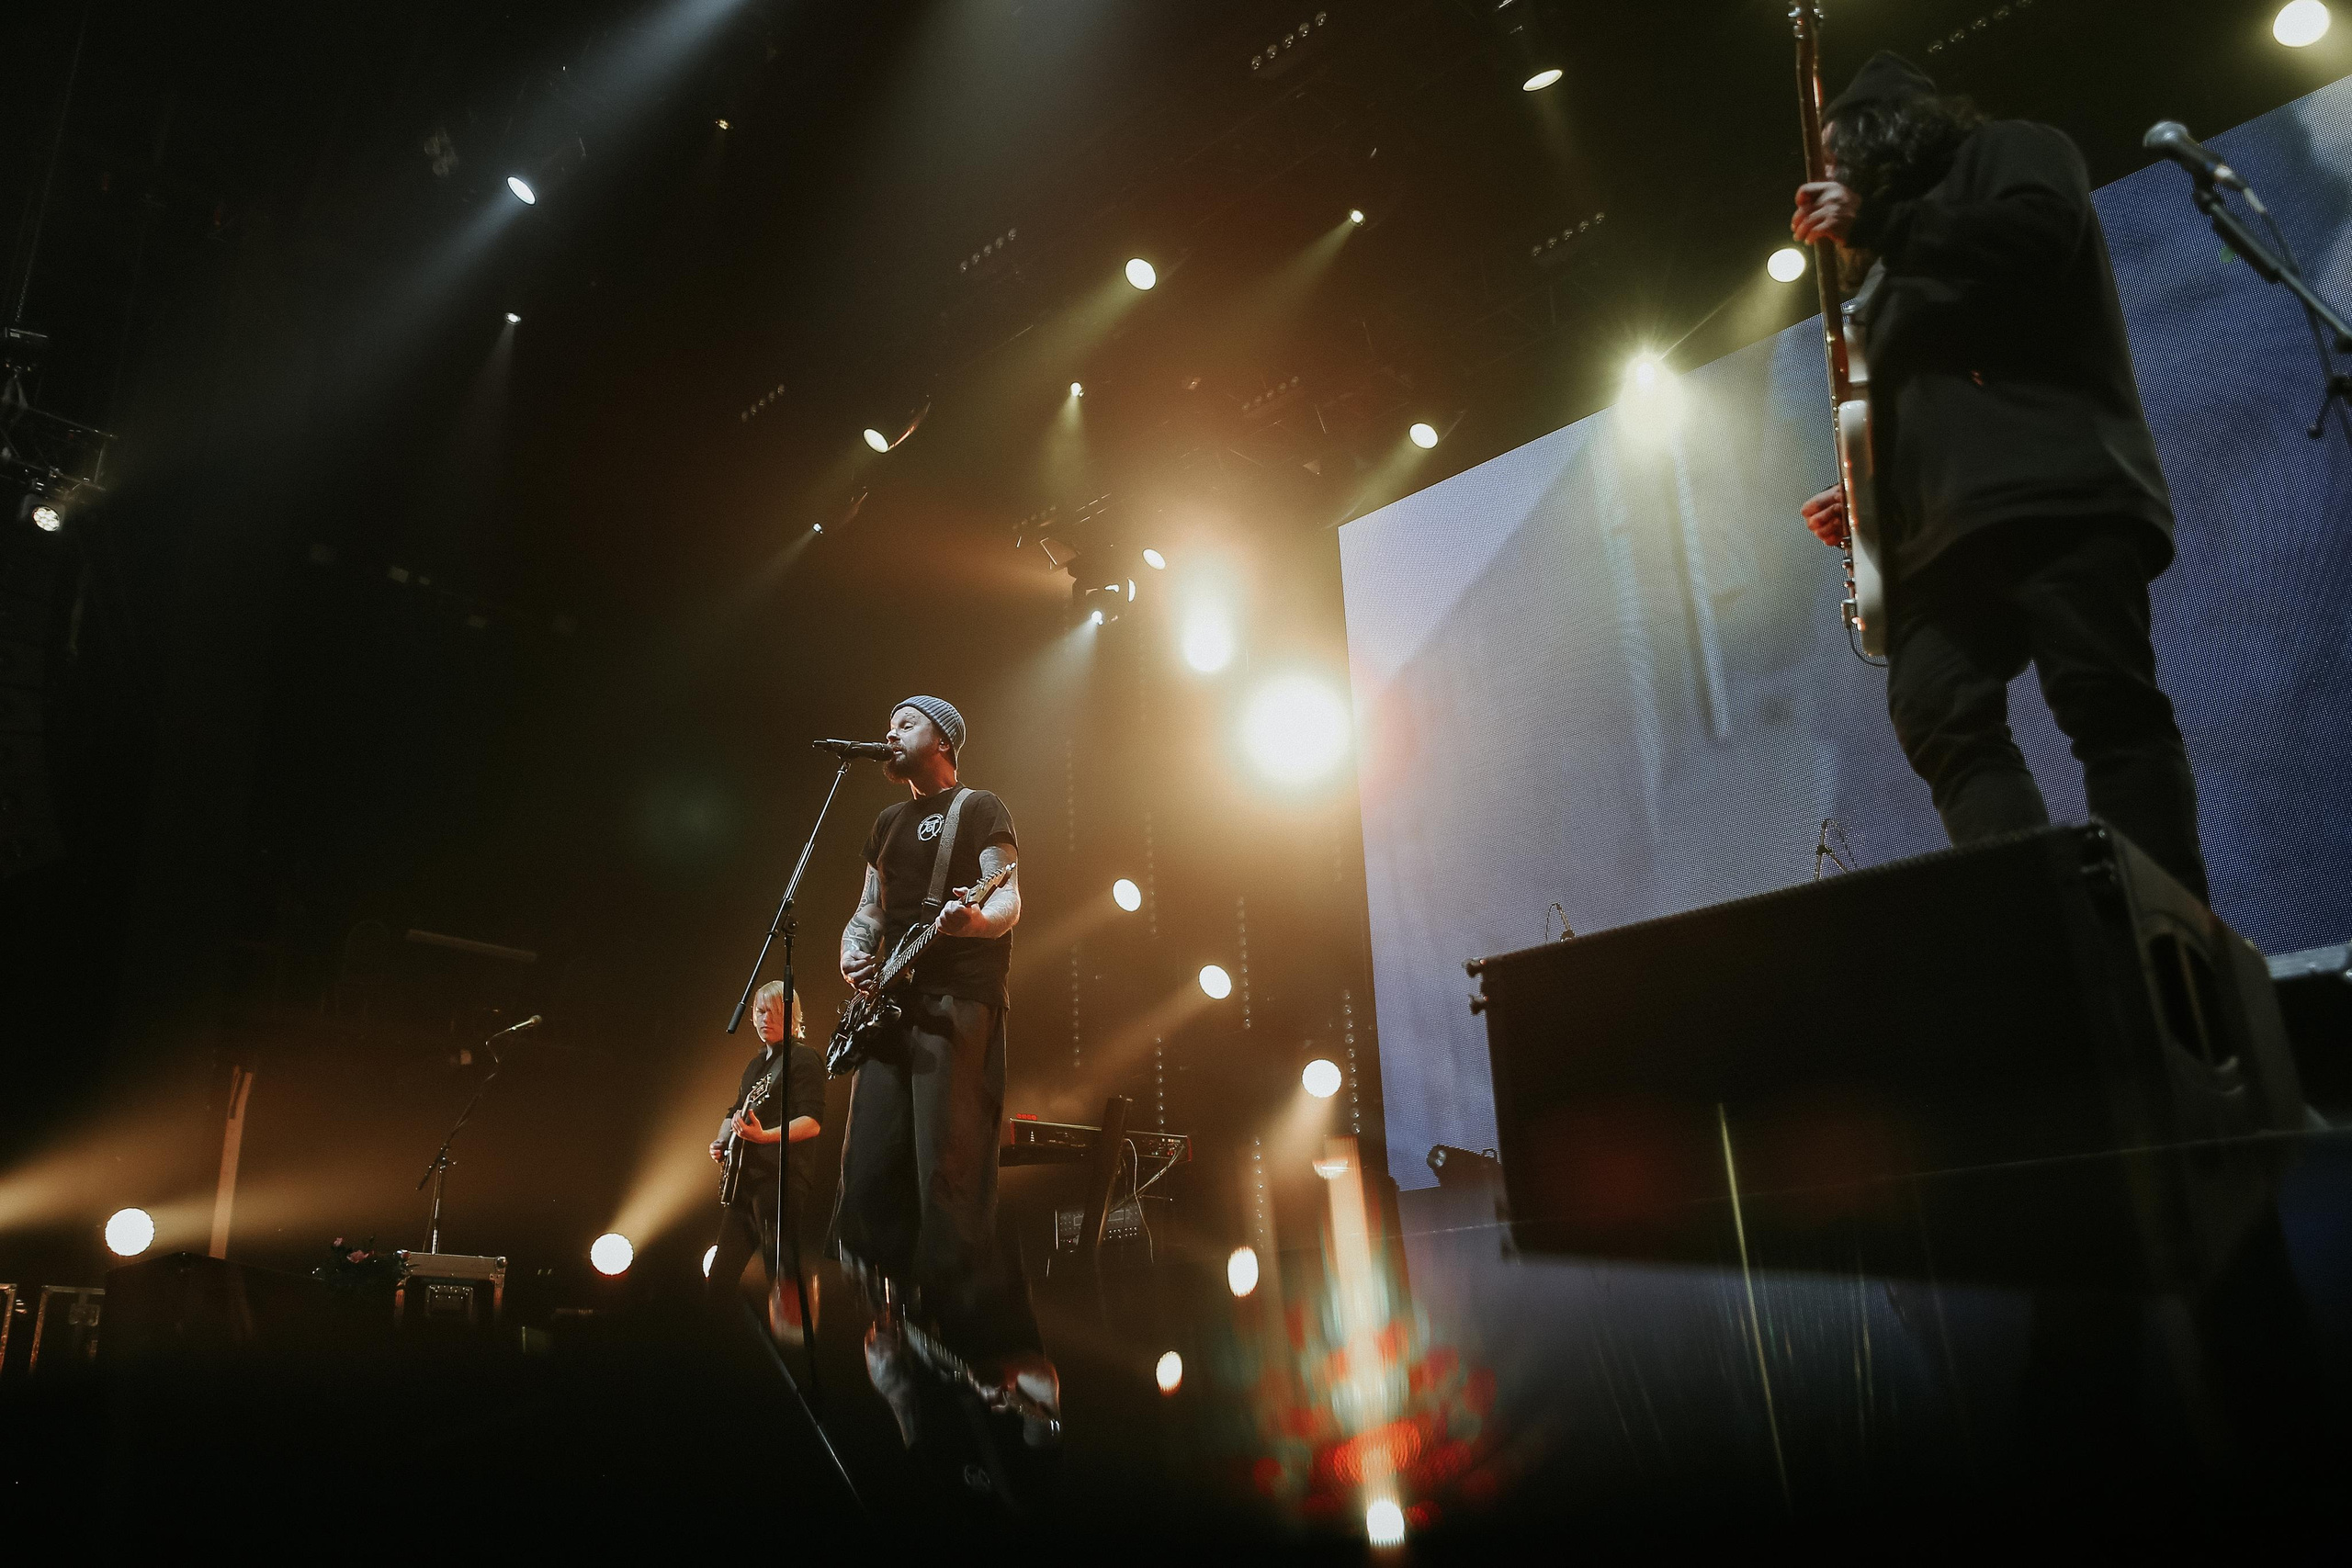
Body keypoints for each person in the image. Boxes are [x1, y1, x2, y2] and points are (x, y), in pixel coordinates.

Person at [1792, 52, 2211, 903]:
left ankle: (2167, 933)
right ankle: (2048, 918)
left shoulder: (2014, 151)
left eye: (1840, 154)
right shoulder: (1883, 267)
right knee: (1937, 712)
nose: (1832, 174)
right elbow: (1928, 404)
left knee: (2106, 705)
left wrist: (1885, 223)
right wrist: (1872, 497)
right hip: (1944, 533)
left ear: (1883, 131)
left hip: (2057, 487)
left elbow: (2037, 241)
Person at [831, 694, 1056, 1450]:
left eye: (905, 721)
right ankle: (901, 1337)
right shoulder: (886, 823)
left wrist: (972, 919)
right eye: (887, 720)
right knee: (864, 1174)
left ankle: (986, 1339)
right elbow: (867, 907)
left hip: (957, 999)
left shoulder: (979, 805)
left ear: (943, 738)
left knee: (950, 1169)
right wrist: (850, 952)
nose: (888, 730)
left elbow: (1010, 894)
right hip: (889, 1006)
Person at [707, 979, 827, 1339]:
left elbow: (812, 1122)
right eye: (758, 1012)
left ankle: (795, 1347)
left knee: (782, 1276)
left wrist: (764, 1136)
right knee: (719, 1281)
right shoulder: (755, 1065)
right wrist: (722, 1140)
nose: (761, 1019)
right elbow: (735, 1110)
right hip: (745, 1183)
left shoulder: (805, 1059)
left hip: (779, 1179)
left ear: (790, 1015)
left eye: (769, 1012)